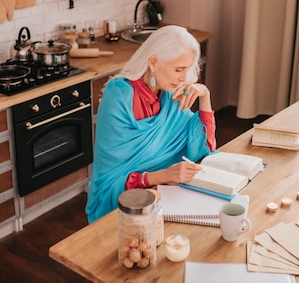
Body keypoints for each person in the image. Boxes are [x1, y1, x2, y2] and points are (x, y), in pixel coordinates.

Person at [85, 25, 216, 223]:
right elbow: (112, 179)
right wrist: (164, 175)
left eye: (187, 69)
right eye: (178, 69)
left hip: (167, 194)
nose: (183, 77)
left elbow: (203, 150)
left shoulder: (170, 94)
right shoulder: (119, 95)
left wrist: (205, 95)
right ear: (154, 63)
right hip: (121, 200)